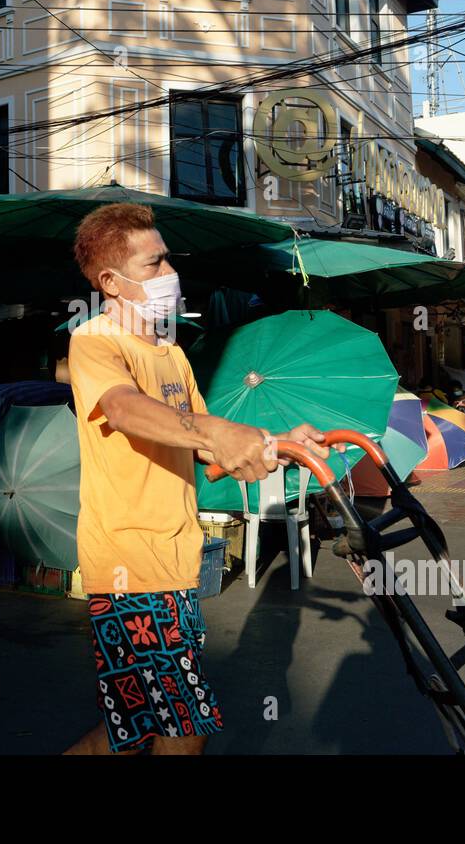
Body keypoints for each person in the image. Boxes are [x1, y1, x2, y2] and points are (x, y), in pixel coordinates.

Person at [62, 202, 328, 756]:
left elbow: (208, 449)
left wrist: (276, 443)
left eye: (168, 261)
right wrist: (216, 433)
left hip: (176, 558)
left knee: (131, 732)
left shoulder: (173, 356)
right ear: (110, 281)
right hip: (130, 567)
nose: (169, 275)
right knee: (185, 729)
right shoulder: (95, 342)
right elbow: (124, 410)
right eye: (154, 264)